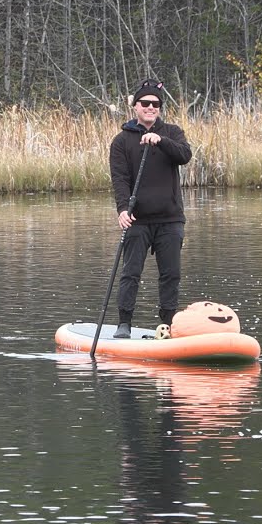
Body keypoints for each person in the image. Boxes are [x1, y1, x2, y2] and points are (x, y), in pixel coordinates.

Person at [109, 79, 193, 338]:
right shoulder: (121, 141)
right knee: (130, 272)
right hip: (138, 219)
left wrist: (160, 141)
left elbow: (184, 155)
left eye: (155, 104)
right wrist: (123, 210)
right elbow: (120, 179)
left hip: (170, 218)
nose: (150, 107)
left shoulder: (172, 132)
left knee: (171, 275)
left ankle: (169, 325)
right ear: (135, 106)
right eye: (145, 103)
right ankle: (124, 323)